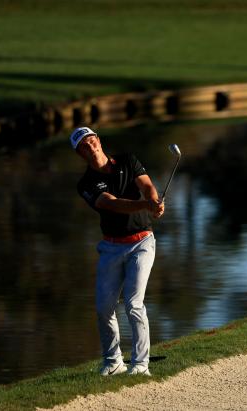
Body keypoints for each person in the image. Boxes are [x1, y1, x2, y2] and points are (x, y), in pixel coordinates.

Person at [70, 126, 164, 376]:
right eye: (84, 146)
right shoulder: (86, 184)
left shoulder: (128, 160)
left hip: (142, 242)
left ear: (99, 141)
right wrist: (146, 204)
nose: (90, 146)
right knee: (104, 307)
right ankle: (113, 362)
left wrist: (154, 200)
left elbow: (147, 186)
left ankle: (141, 365)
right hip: (112, 247)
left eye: (91, 140)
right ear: (80, 154)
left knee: (134, 303)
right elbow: (111, 204)